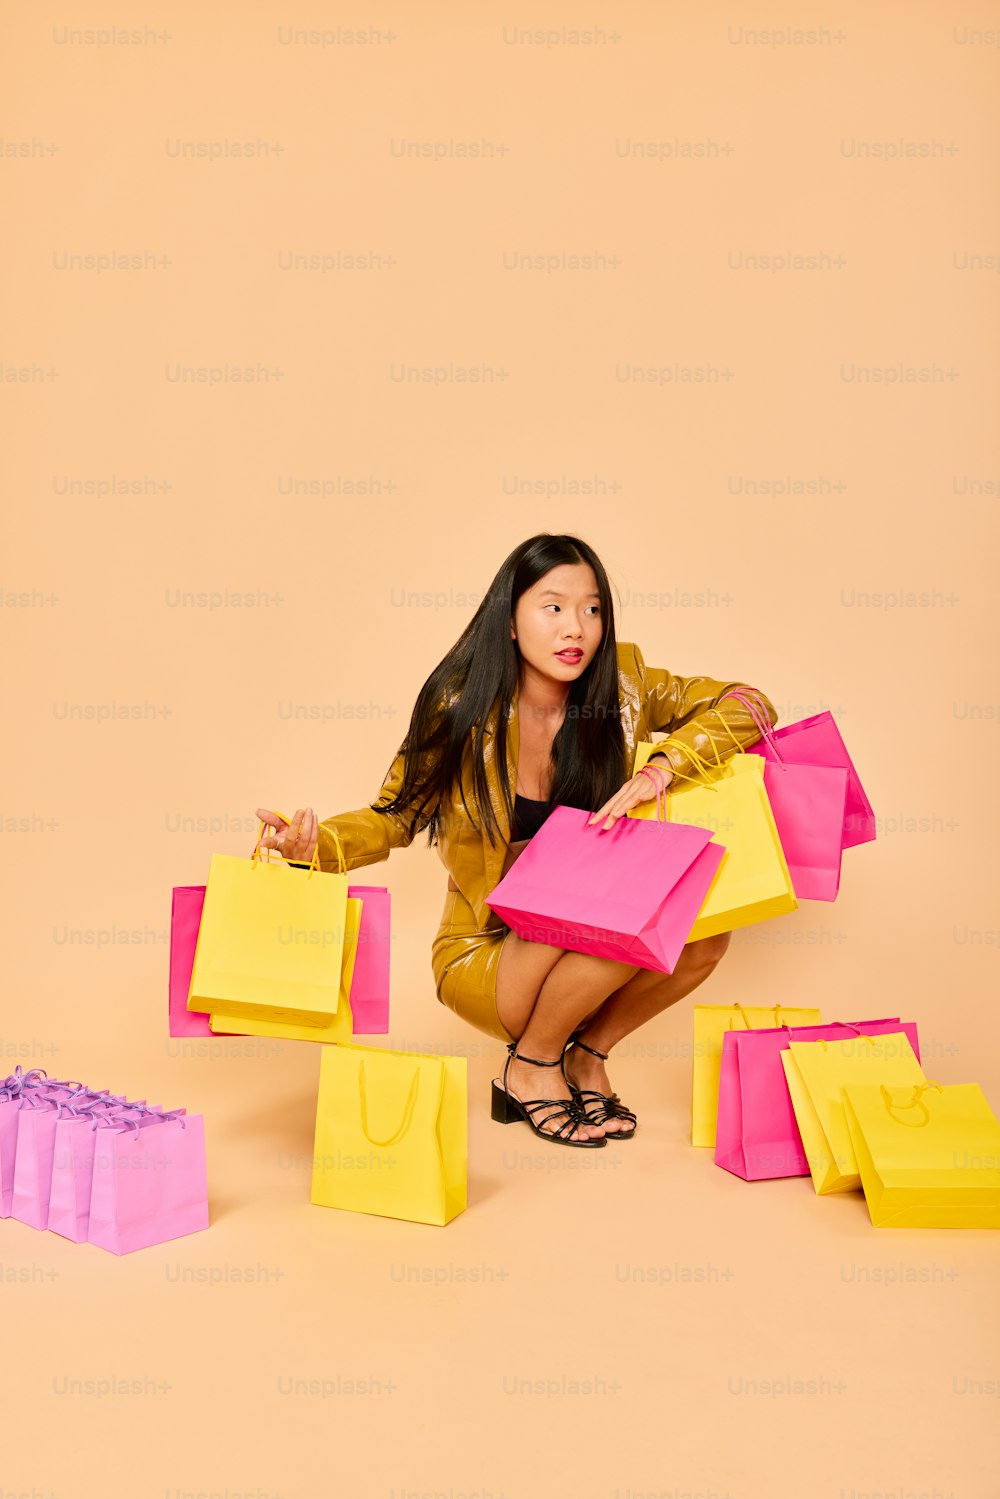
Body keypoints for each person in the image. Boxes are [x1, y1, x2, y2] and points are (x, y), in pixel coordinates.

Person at [256, 533, 777, 1150]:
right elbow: (395, 816)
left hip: (587, 935)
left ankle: (585, 1055)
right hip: (490, 950)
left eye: (591, 609)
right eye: (553, 607)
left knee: (706, 933)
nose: (575, 627)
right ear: (509, 621)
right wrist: (311, 846)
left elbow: (751, 705)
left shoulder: (626, 683)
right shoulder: (459, 709)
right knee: (625, 913)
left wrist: (660, 767)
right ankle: (530, 1065)